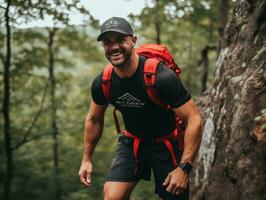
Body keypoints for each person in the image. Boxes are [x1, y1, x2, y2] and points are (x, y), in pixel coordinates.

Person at [78, 16, 203, 200]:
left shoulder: (161, 77)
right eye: (107, 42)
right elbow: (94, 119)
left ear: (133, 40)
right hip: (132, 143)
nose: (114, 47)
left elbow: (194, 119)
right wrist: (86, 160)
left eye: (121, 40)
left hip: (166, 145)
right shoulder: (104, 82)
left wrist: (184, 168)